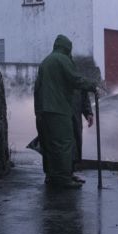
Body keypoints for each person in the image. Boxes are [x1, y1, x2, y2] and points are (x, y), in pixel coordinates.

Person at [34, 35, 96, 189]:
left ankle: (54, 175)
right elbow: (75, 80)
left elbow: (37, 89)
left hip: (44, 110)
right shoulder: (62, 60)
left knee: (51, 144)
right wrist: (92, 85)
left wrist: (38, 111)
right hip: (59, 109)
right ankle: (63, 179)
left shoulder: (45, 62)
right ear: (67, 48)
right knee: (64, 143)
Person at [70, 89, 94, 183]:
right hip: (61, 111)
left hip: (75, 112)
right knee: (61, 143)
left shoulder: (79, 76)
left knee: (75, 142)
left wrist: (88, 112)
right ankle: (55, 174)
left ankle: (70, 172)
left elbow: (83, 92)